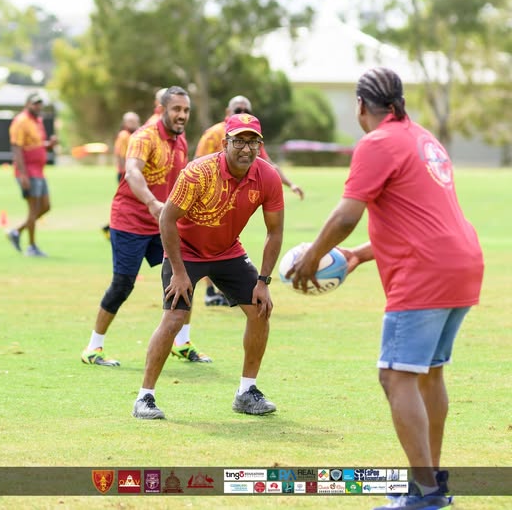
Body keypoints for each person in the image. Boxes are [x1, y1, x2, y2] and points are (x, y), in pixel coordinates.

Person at [288, 68, 484, 510]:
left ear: (360, 105)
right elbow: (421, 219)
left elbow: (344, 216)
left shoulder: (376, 143)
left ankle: (426, 493)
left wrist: (312, 257)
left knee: (396, 376)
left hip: (425, 274)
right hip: (463, 263)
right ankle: (430, 483)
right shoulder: (423, 138)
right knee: (429, 374)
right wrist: (356, 255)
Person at [132, 112, 284, 420]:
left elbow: (275, 231)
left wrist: (264, 282)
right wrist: (178, 272)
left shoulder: (267, 177)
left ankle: (246, 392)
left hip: (228, 250)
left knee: (260, 310)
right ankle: (144, 397)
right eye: (239, 141)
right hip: (185, 251)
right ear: (225, 142)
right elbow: (167, 219)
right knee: (175, 317)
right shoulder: (198, 173)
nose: (246, 148)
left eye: (253, 142)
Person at [82, 86, 210, 367]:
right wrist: (153, 203)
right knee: (123, 284)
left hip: (161, 223)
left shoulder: (180, 140)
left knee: (185, 275)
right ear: (162, 109)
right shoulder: (145, 136)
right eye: (176, 109)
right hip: (130, 221)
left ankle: (182, 343)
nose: (182, 115)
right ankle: (94, 347)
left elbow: (180, 180)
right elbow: (132, 172)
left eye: (186, 110)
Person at [195, 94, 303, 306]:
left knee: (226, 241)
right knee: (205, 240)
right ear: (228, 113)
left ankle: (225, 288)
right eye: (238, 110)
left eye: (246, 110)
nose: (242, 113)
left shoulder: (251, 138)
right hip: (209, 197)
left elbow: (269, 165)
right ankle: (209, 291)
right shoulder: (213, 134)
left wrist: (290, 184)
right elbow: (196, 164)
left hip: (238, 195)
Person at [7, 92, 57, 257]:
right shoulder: (21, 121)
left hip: (39, 171)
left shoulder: (37, 121)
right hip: (28, 171)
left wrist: (49, 145)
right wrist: (22, 174)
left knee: (45, 206)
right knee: (33, 208)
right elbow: (17, 148)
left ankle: (16, 231)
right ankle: (32, 246)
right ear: (27, 103)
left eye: (40, 103)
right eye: (35, 103)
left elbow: (36, 144)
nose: (38, 106)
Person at [101, 111, 141, 237]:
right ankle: (111, 227)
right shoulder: (124, 135)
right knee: (127, 202)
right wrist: (125, 172)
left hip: (129, 173)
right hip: (126, 174)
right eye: (130, 121)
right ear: (124, 123)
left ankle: (110, 227)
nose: (134, 124)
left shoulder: (134, 135)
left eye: (135, 121)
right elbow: (120, 155)